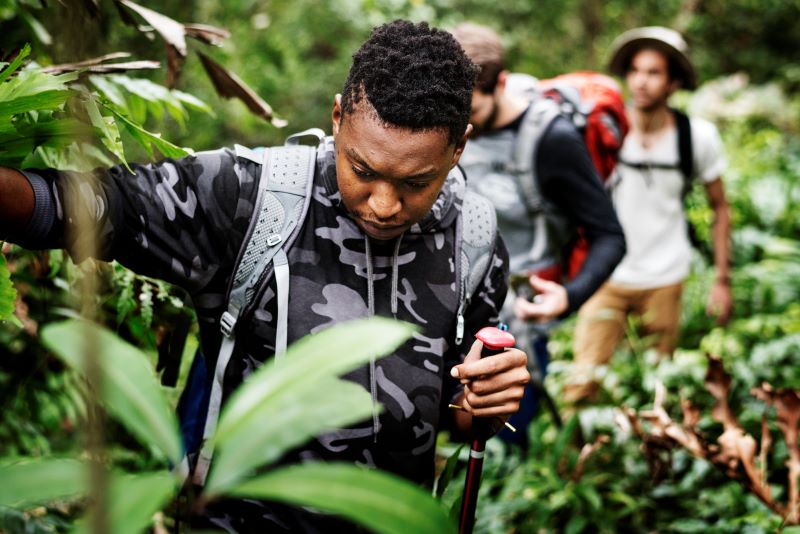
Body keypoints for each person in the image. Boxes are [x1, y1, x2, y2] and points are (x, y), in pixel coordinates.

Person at [0, 20, 530, 531]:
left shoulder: (475, 239)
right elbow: (93, 205)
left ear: (459, 146)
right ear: (339, 116)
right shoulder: (251, 197)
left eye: (417, 181)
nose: (385, 205)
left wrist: (484, 401)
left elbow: (453, 410)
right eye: (363, 171)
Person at [450, 23, 626, 446]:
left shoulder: (551, 139)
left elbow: (609, 234)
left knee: (504, 435)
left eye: (469, 111)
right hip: (453, 298)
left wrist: (570, 295)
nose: (461, 125)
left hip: (518, 312)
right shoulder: (448, 122)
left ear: (502, 83)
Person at [568, 26, 732, 403]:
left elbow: (720, 207)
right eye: (636, 71)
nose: (641, 82)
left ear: (674, 82)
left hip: (666, 276)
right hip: (605, 275)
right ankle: (576, 460)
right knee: (581, 384)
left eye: (654, 72)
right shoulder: (602, 129)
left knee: (658, 387)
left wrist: (722, 280)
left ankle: (649, 457)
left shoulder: (697, 137)